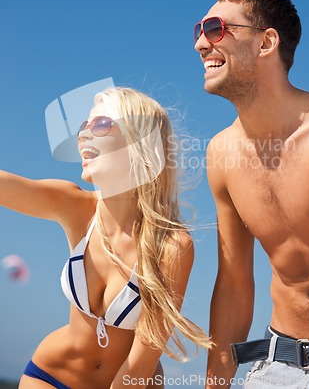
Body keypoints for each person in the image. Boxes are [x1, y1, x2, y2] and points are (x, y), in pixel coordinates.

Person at [1, 86, 211, 389]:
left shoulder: (171, 246)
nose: (84, 134)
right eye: (83, 127)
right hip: (50, 375)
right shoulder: (76, 208)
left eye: (99, 124)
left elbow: (140, 365)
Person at [194, 0, 309, 388]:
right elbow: (234, 284)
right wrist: (215, 384)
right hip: (277, 364)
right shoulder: (221, 154)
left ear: (266, 42)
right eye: (199, 31)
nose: (201, 43)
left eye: (216, 28)